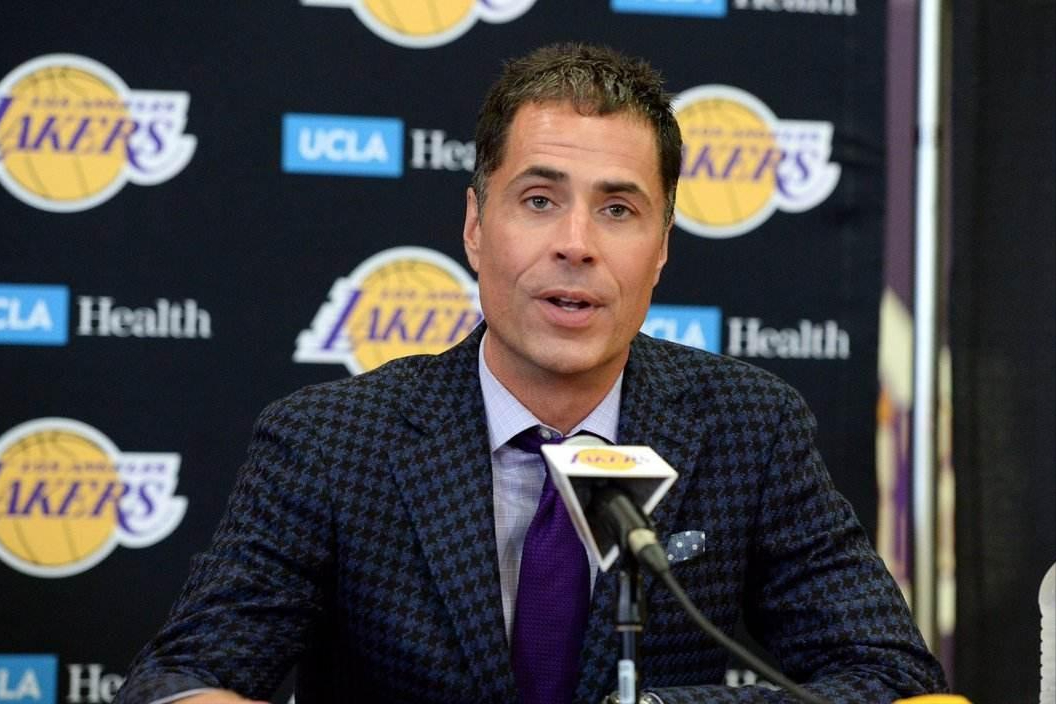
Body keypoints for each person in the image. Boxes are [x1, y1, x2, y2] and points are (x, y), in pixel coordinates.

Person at [115, 43, 947, 704]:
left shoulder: (747, 429)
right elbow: (183, 675)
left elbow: (891, 676)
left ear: (661, 247)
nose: (576, 244)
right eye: (540, 200)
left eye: (617, 209)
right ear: (476, 226)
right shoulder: (330, 442)